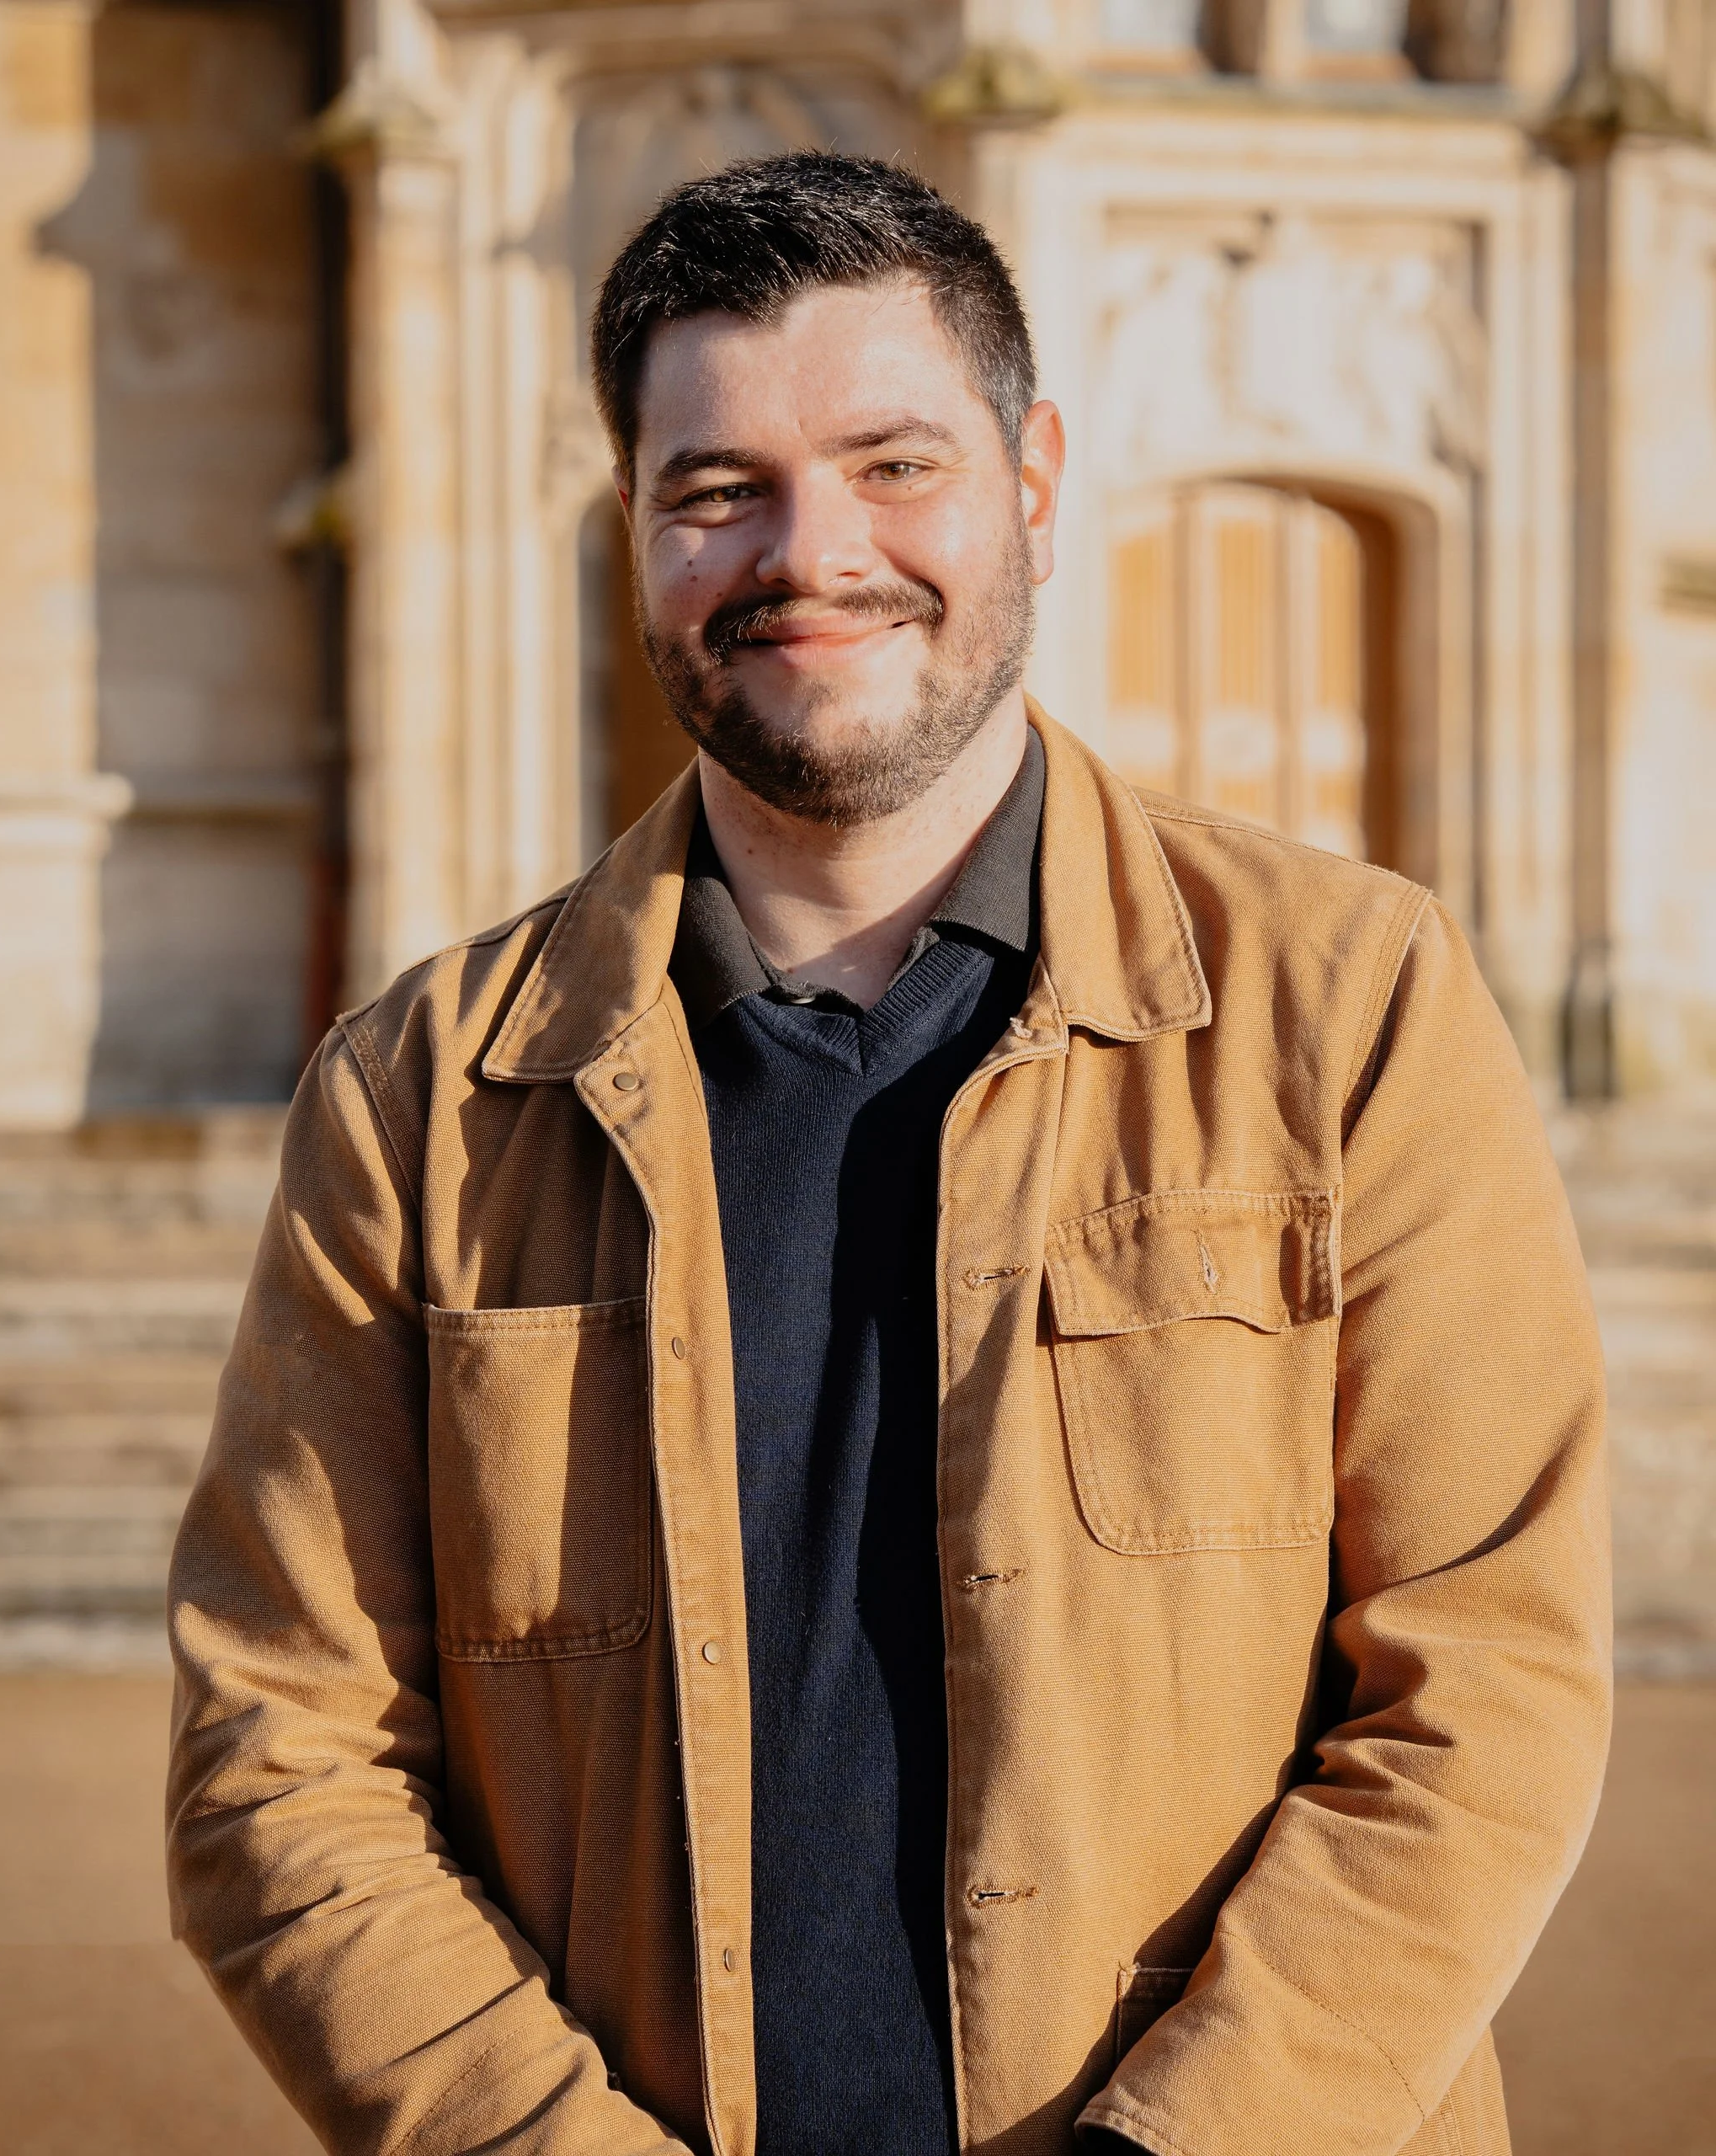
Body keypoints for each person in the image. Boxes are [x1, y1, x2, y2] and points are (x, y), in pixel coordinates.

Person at [166, 152, 1610, 2156]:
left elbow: (1487, 1684)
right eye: (718, 486)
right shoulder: (420, 1097)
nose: (809, 549)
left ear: (1032, 480)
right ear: (632, 523)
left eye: (891, 464)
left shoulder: (1350, 1001)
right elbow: (283, 1754)